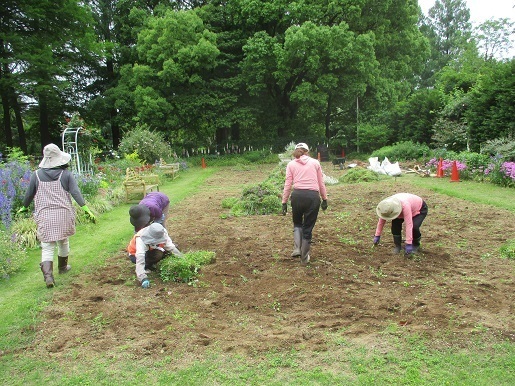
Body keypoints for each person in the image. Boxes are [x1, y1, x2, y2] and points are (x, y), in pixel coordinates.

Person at [18, 143, 96, 288]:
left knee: (47, 246)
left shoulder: (36, 175)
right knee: (63, 241)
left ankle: (48, 277)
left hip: (45, 216)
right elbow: (76, 193)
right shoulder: (65, 174)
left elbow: (29, 194)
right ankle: (62, 268)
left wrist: (23, 207)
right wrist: (86, 209)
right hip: (63, 214)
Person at [281, 142, 328, 264]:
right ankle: (304, 258)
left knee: (297, 223)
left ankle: (297, 248)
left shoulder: (291, 164)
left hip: (297, 196)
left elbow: (287, 184)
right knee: (307, 228)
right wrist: (324, 198)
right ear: (307, 151)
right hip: (312, 198)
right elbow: (320, 182)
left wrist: (284, 201)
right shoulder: (315, 163)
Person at [127, 222, 183, 288]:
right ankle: (146, 267)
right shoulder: (140, 239)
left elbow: (170, 247)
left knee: (167, 252)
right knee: (157, 256)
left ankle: (150, 263)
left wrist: (182, 257)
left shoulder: (162, 232)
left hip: (150, 249)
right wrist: (143, 278)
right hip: (134, 255)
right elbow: (140, 258)